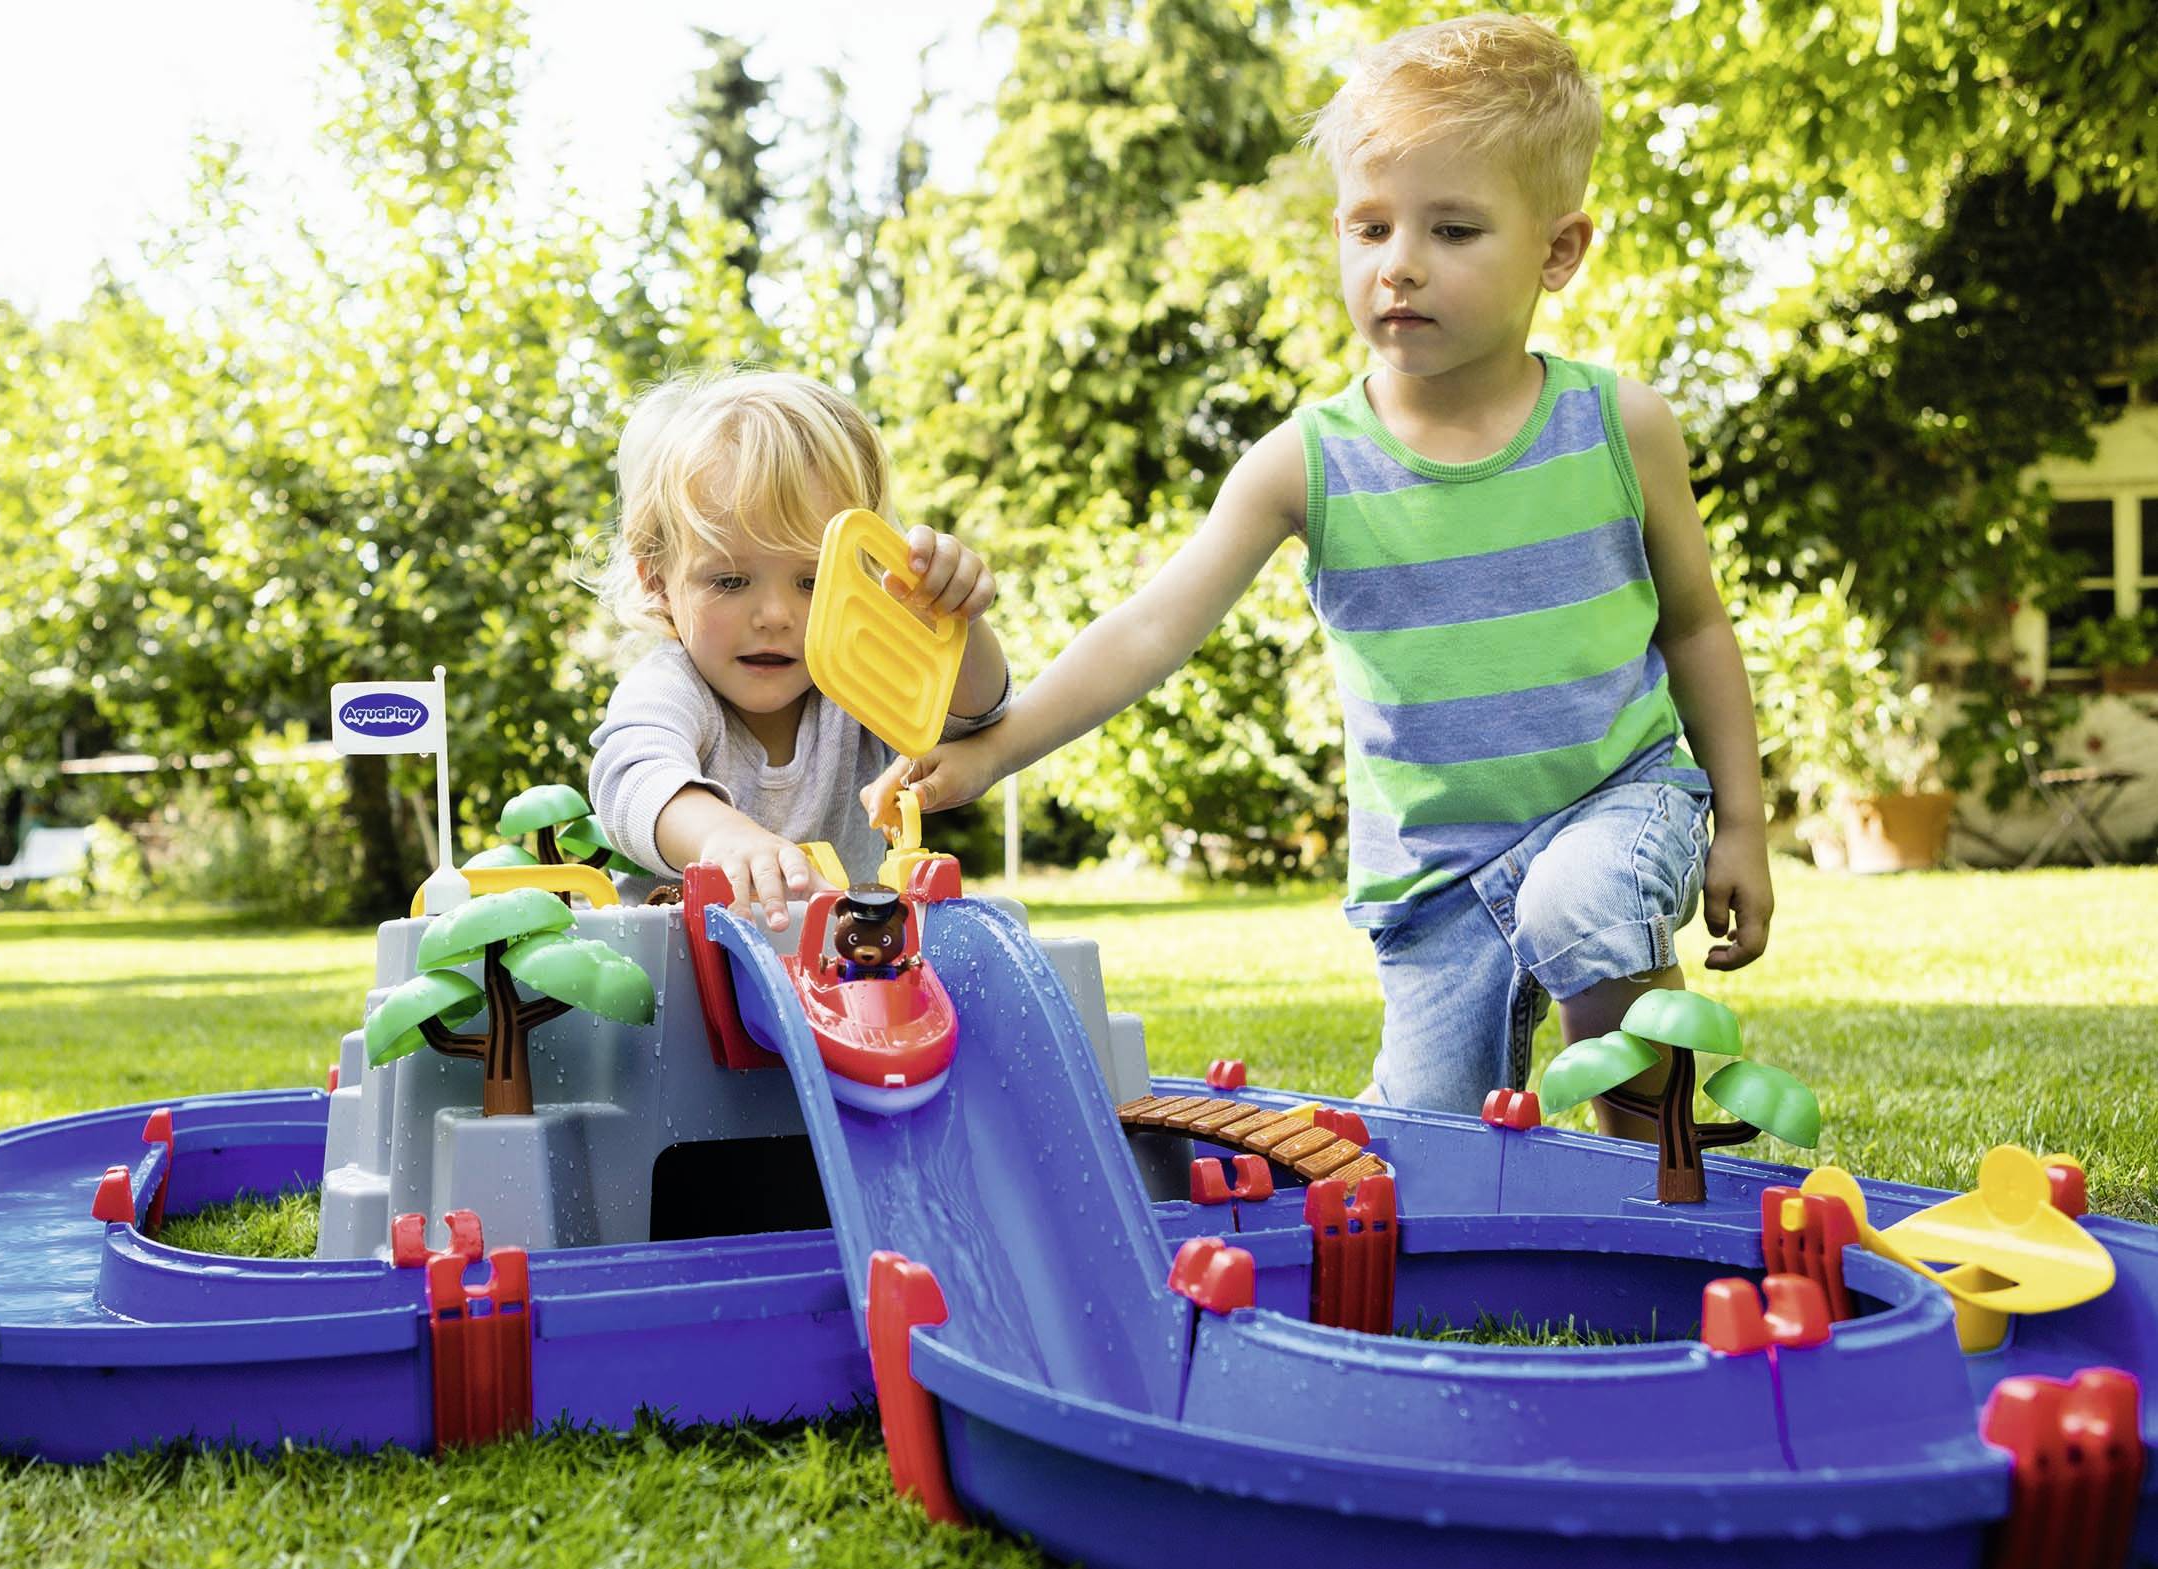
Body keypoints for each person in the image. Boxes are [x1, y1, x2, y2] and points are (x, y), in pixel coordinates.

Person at [864, 14, 1772, 1133]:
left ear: (1556, 252)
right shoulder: (1305, 460)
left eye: (1452, 228)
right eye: (1370, 225)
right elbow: (1153, 627)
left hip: (1616, 805)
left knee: (1579, 904)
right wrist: (991, 748)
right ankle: (1449, 1139)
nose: (1399, 263)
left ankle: (1656, 1176)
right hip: (1434, 880)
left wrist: (1741, 820)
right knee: (1419, 1152)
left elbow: (1693, 629)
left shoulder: (1618, 427)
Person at [588, 370, 1011, 930]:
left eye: (812, 582)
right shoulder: (671, 686)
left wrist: (956, 617)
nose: (775, 616)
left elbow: (971, 717)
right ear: (657, 580)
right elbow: (632, 779)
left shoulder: (853, 678)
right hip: (682, 990)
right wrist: (722, 836)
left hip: (845, 988)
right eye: (730, 582)